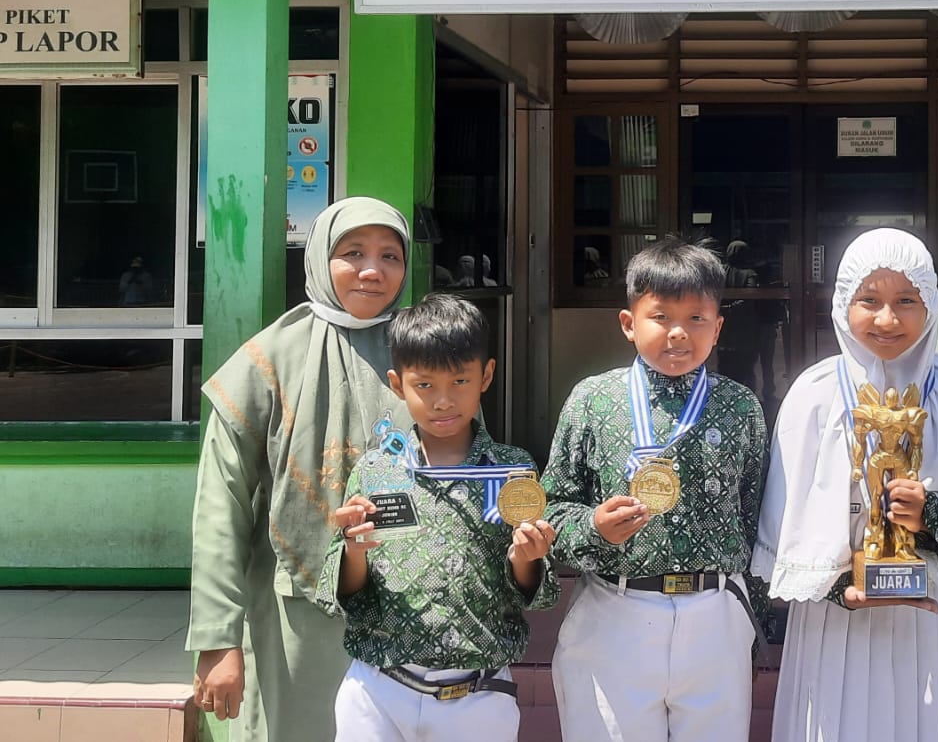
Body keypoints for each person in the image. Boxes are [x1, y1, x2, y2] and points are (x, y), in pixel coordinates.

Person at [754, 228, 938, 742]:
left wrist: (931, 515)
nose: (887, 319)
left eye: (906, 301)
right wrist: (840, 588)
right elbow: (783, 526)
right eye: (869, 301)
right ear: (842, 304)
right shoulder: (814, 393)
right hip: (835, 617)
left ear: (931, 305)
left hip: (931, 609)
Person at [187, 197, 412, 738]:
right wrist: (218, 638)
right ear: (318, 259)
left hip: (412, 605)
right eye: (352, 253)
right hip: (298, 614)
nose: (372, 270)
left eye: (390, 256)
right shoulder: (268, 360)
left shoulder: (423, 349)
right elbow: (220, 508)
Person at [543, 236, 769, 742]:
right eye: (661, 317)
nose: (678, 333)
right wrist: (594, 527)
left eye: (696, 318)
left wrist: (752, 624)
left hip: (716, 615)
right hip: (615, 610)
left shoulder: (740, 407)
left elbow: (755, 519)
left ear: (718, 327)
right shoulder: (592, 401)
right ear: (629, 323)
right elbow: (552, 507)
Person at [316, 293, 558, 742]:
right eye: (424, 385)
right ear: (397, 384)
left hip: (479, 694)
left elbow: (528, 591)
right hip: (378, 689)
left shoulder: (512, 470)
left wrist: (528, 558)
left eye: (460, 380)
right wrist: (354, 550)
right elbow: (347, 592)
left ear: (486, 375)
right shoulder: (376, 471)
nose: (443, 401)